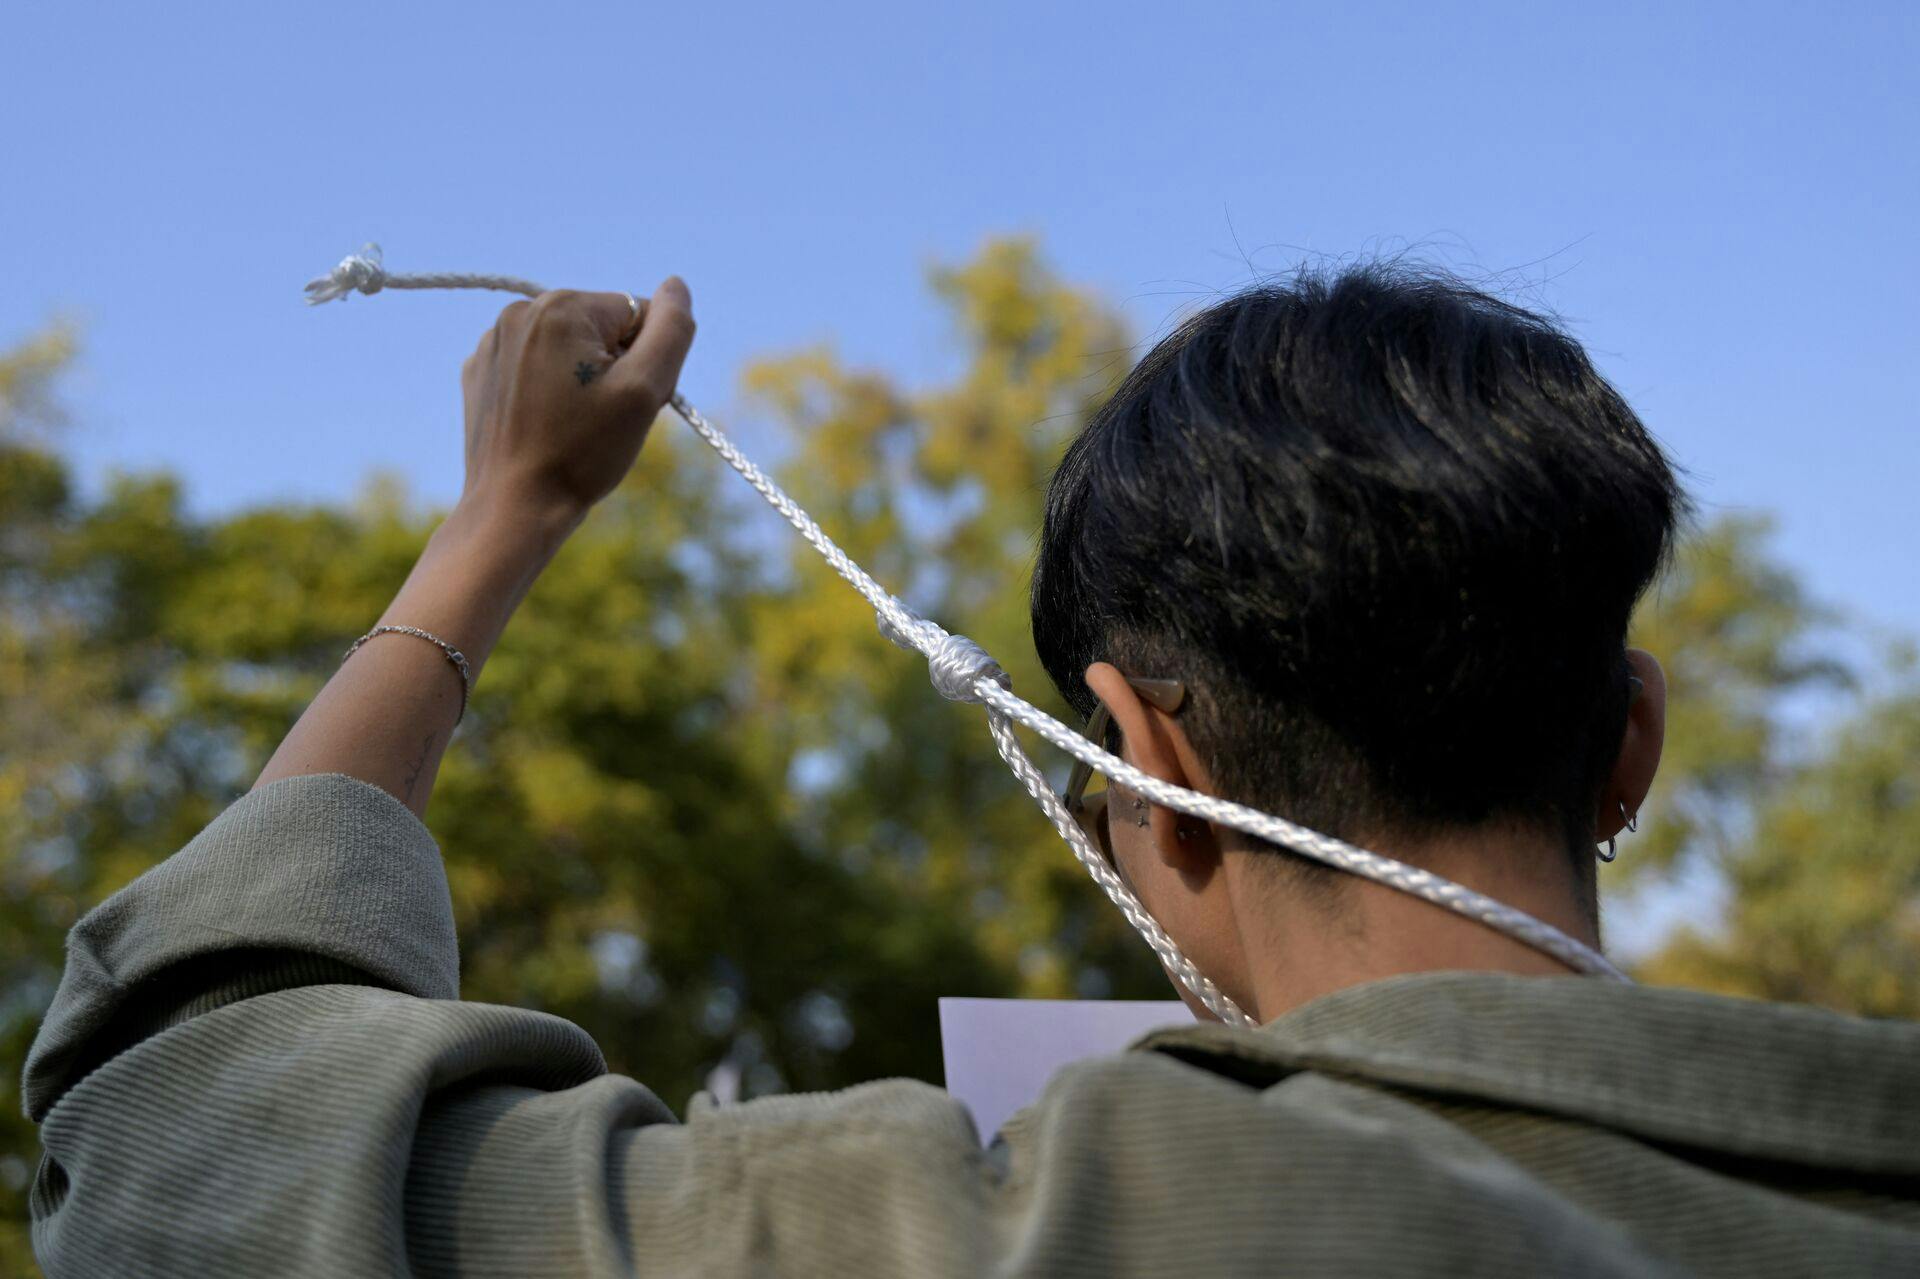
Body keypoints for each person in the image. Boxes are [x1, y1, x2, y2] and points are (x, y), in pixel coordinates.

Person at [22, 268, 1920, 1278]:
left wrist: (498, 526)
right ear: (1631, 751)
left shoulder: (1016, 1236)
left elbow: (178, 1132)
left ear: (1153, 765)